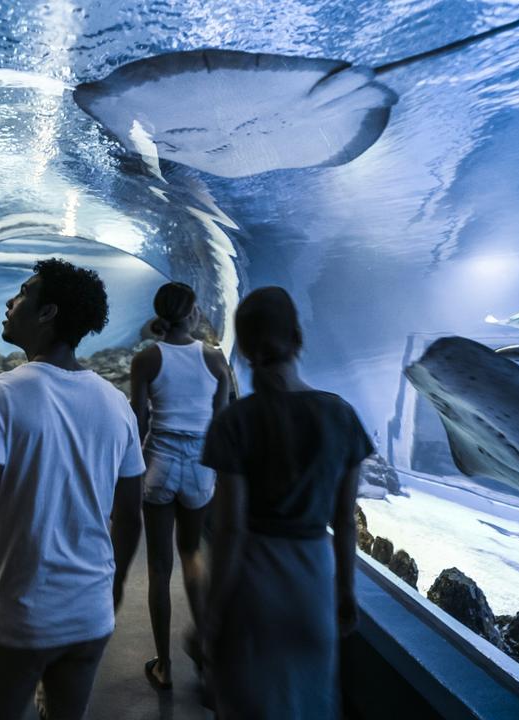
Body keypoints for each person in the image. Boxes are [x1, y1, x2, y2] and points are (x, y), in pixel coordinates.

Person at [0, 258, 145, 720]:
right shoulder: (117, 405)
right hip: (90, 616)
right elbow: (129, 515)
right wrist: (111, 590)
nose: (10, 302)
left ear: (48, 312)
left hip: (16, 618)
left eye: (23, 293)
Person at [201, 287, 371, 719]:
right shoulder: (342, 416)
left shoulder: (233, 422)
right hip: (313, 585)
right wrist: (345, 592)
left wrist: (212, 612)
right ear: (297, 336)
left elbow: (230, 529)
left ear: (243, 345)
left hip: (253, 585)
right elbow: (345, 521)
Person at [128, 282, 230, 690]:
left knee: (158, 567)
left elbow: (136, 420)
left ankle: (165, 665)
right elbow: (221, 427)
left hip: (159, 465)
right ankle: (205, 654)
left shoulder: (146, 359)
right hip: (200, 468)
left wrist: (126, 472)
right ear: (194, 313)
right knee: (192, 554)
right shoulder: (215, 359)